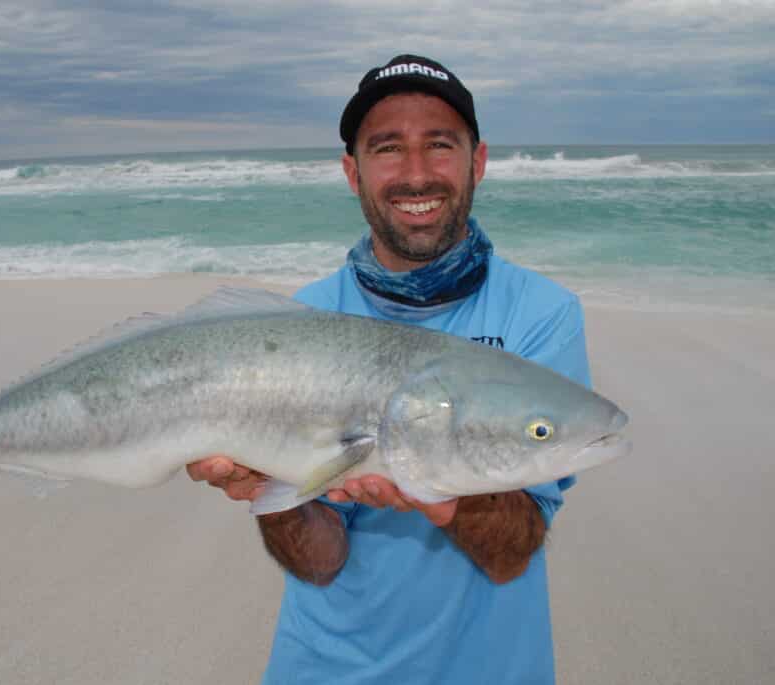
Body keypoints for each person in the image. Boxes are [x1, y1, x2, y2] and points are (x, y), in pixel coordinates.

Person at [187, 54, 592, 684]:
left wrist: (431, 490)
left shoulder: (540, 313)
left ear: (477, 161)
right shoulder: (306, 319)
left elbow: (513, 552)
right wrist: (267, 488)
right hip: (325, 669)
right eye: (386, 149)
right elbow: (320, 562)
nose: (417, 174)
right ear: (353, 172)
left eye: (439, 144)